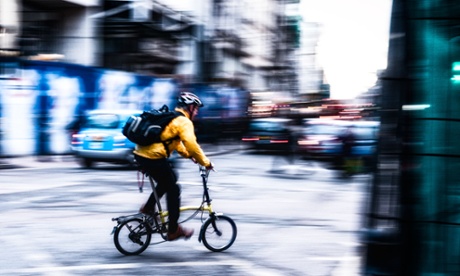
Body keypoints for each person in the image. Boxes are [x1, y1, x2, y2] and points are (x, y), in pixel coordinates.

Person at [133, 92, 214, 241]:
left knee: (170, 178)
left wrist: (189, 156)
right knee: (173, 188)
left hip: (142, 155)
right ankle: (173, 229)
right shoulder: (184, 122)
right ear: (189, 107)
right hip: (152, 157)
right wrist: (206, 162)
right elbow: (192, 145)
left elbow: (176, 143)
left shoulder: (172, 116)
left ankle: (148, 207)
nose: (196, 113)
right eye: (195, 109)